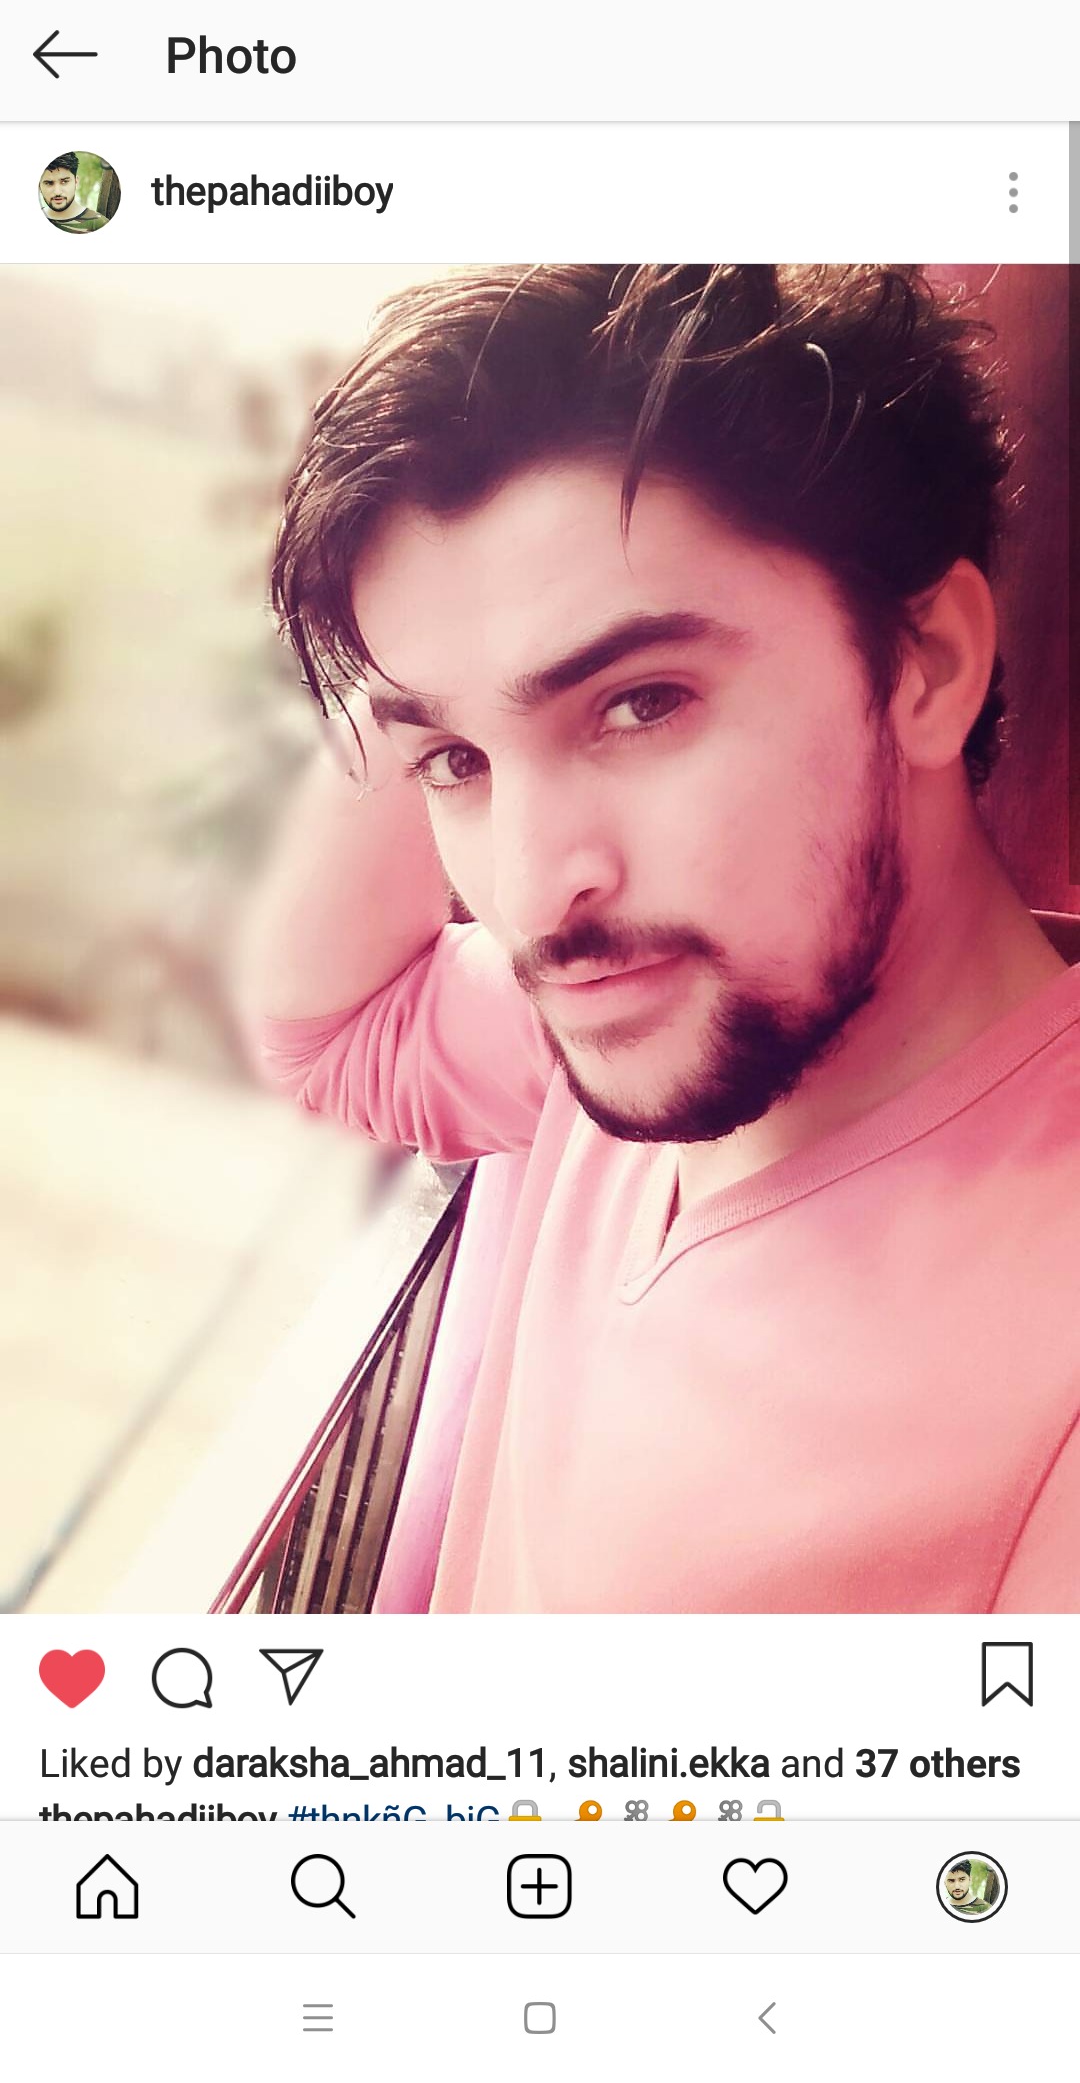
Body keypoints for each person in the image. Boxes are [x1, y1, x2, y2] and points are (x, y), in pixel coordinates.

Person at [239, 264, 1080, 1612]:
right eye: (457, 764)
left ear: (924, 664)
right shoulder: (623, 1026)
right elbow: (326, 1036)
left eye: (641, 704)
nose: (531, 892)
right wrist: (417, 667)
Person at [39, 153, 108, 233]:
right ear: (39, 186)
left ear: (76, 182)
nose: (57, 192)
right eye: (49, 183)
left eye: (64, 182)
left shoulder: (98, 225)